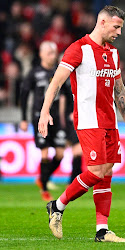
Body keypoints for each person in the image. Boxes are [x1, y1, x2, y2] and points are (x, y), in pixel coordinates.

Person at [38, 6, 125, 243]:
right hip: (88, 121)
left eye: (120, 28)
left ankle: (102, 230)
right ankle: (57, 205)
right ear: (102, 22)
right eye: (116, 27)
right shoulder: (78, 49)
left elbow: (119, 89)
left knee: (107, 172)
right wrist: (44, 113)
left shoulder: (113, 53)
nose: (119, 32)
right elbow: (56, 83)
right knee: (96, 171)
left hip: (110, 122)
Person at [20, 41, 66, 201]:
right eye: (49, 53)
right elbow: (24, 94)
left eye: (54, 53)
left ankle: (42, 178)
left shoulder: (59, 72)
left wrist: (70, 113)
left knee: (60, 153)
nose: (53, 56)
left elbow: (67, 91)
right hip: (40, 117)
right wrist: (24, 119)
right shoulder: (34, 73)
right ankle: (44, 188)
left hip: (56, 118)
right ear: (41, 54)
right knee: (45, 152)